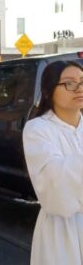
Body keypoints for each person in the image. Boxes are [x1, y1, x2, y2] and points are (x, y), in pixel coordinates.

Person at [22, 60, 83, 265]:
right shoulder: (37, 129)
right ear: (48, 92)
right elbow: (53, 182)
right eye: (69, 83)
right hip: (63, 228)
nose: (79, 88)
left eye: (82, 81)